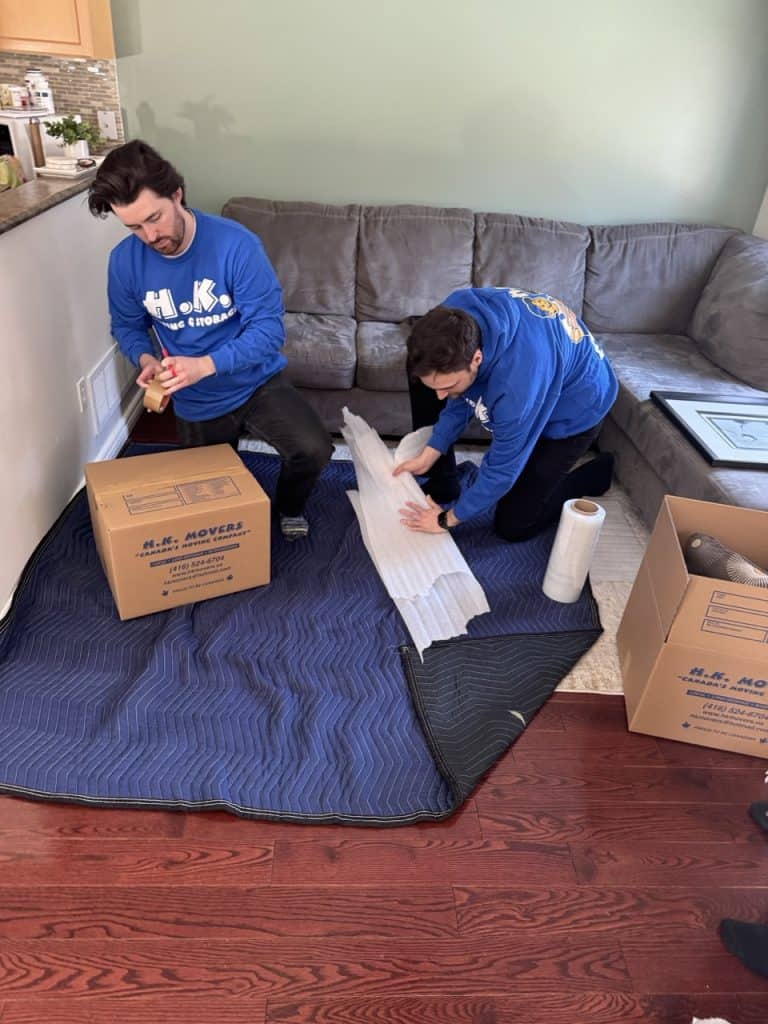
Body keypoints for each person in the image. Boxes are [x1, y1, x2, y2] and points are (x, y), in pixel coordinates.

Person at [87, 139, 332, 541]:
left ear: (177, 195)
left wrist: (206, 364)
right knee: (208, 497)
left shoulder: (236, 246)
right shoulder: (124, 262)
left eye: (156, 218)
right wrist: (145, 359)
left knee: (314, 448)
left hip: (256, 381)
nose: (149, 235)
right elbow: (127, 326)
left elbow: (269, 332)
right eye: (134, 226)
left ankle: (288, 506)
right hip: (195, 400)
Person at [393, 287, 618, 541]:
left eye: (448, 387)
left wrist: (447, 520)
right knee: (429, 379)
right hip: (538, 369)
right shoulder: (453, 317)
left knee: (513, 524)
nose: (440, 398)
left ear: (477, 358)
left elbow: (501, 470)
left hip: (578, 407)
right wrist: (432, 450)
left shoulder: (516, 387)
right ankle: (443, 481)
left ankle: (595, 474)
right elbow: (464, 393)